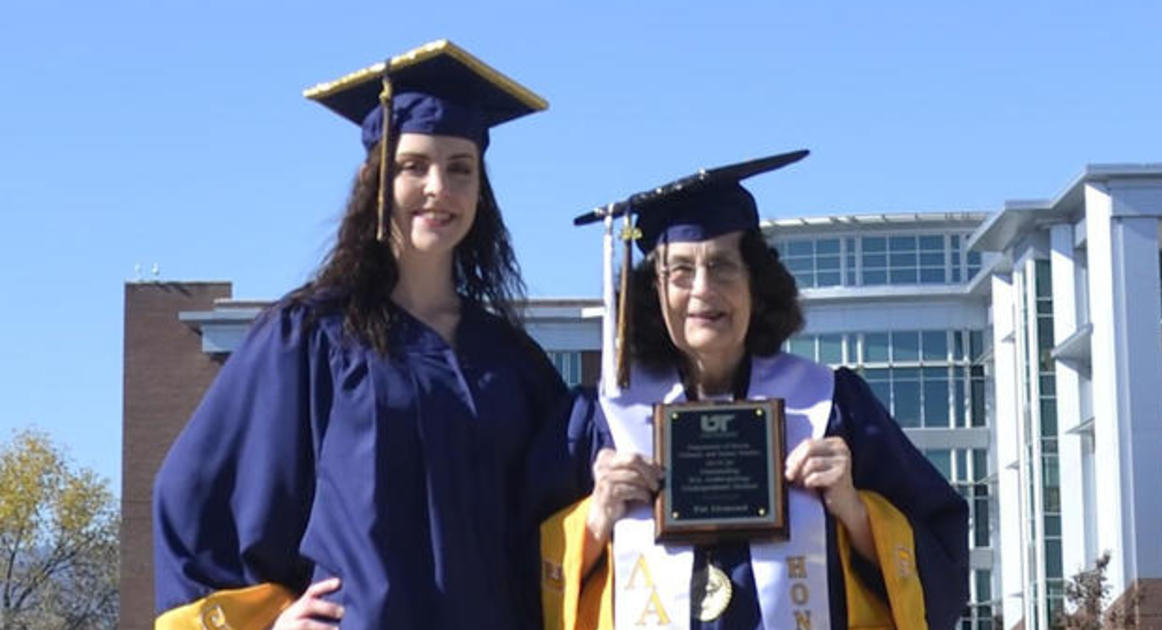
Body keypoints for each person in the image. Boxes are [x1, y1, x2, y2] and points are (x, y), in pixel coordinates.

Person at [153, 40, 567, 630]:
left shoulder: (512, 362)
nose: (438, 189)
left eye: (460, 169)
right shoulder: (310, 339)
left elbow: (555, 517)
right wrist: (267, 622)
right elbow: (195, 500)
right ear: (375, 183)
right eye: (413, 165)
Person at [539, 152, 970, 629]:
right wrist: (595, 521)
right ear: (652, 292)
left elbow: (941, 560)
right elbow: (511, 576)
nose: (702, 290)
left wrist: (855, 511)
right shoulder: (600, 421)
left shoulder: (833, 407)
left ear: (756, 284)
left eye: (723, 266)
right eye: (680, 271)